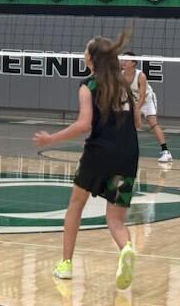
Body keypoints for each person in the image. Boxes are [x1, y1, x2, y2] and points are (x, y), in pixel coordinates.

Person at [33, 30, 139, 290]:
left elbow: (83, 124)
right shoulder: (124, 85)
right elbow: (137, 122)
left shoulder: (88, 85)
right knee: (115, 219)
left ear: (92, 59)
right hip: (128, 155)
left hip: (98, 154)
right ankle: (126, 248)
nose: (83, 54)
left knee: (75, 206)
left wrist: (51, 139)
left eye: (85, 50)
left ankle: (66, 265)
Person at [121, 53, 172, 163]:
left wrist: (136, 110)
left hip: (146, 100)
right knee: (126, 125)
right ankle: (126, 151)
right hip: (132, 101)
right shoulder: (120, 75)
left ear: (133, 63)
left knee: (153, 123)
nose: (123, 62)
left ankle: (166, 152)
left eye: (126, 60)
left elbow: (143, 97)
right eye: (122, 60)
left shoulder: (141, 76)